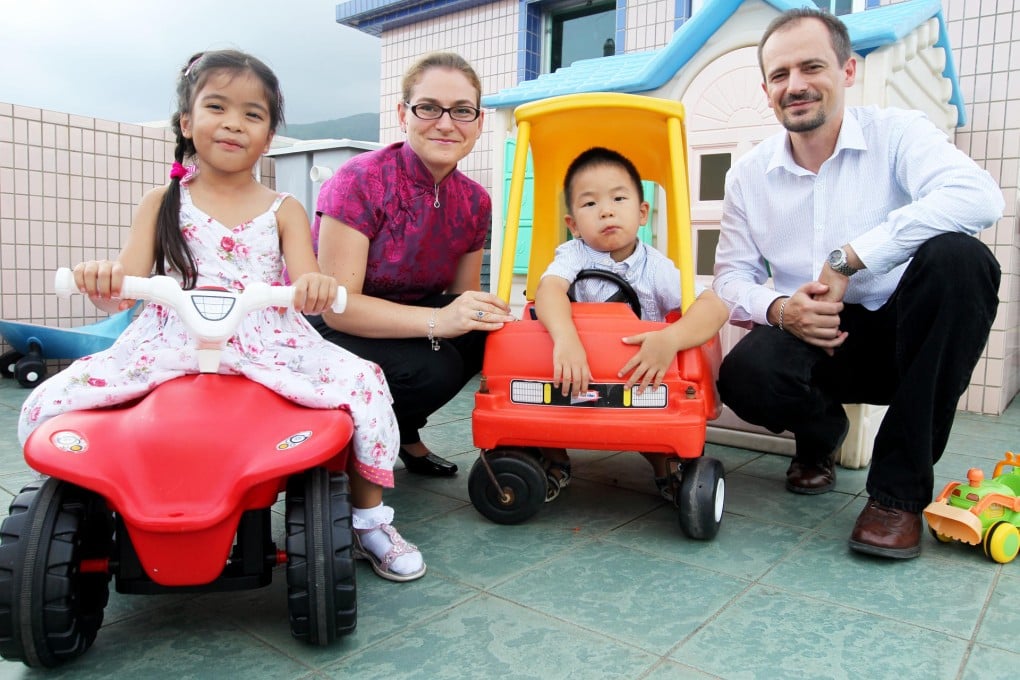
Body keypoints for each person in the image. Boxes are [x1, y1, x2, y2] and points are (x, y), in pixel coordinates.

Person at [18, 50, 425, 582]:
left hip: (264, 336)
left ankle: (369, 519)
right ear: (187, 122)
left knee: (364, 383)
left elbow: (307, 283)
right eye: (217, 107)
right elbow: (123, 290)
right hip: (173, 337)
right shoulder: (162, 201)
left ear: (269, 135)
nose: (234, 122)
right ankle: (88, 498)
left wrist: (317, 286)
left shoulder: (285, 209)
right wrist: (103, 279)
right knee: (57, 399)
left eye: (253, 114)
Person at [712, 9, 1003, 559]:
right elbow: (730, 276)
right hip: (815, 334)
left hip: (904, 336)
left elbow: (980, 197)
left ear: (846, 71)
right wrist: (780, 309)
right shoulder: (747, 175)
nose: (795, 85)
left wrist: (851, 258)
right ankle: (820, 439)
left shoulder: (900, 134)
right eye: (780, 75)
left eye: (811, 66)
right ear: (766, 89)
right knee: (745, 374)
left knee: (961, 259)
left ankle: (896, 496)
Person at [309, 52, 514, 478]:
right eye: (428, 107)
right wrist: (440, 320)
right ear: (404, 114)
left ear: (478, 122)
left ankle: (399, 427)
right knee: (432, 369)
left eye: (461, 111)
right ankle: (350, 439)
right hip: (329, 326)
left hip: (410, 320)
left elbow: (463, 296)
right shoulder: (360, 180)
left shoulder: (475, 201)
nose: (445, 123)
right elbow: (337, 306)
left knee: (487, 336)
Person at [534, 146, 729, 501]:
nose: (606, 210)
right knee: (539, 401)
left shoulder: (656, 267)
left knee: (661, 427)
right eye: (590, 204)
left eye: (618, 198)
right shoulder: (573, 255)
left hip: (639, 375)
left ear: (642, 213)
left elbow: (714, 307)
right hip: (581, 372)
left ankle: (666, 465)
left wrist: (670, 339)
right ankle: (554, 460)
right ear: (573, 224)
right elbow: (548, 291)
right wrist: (565, 338)